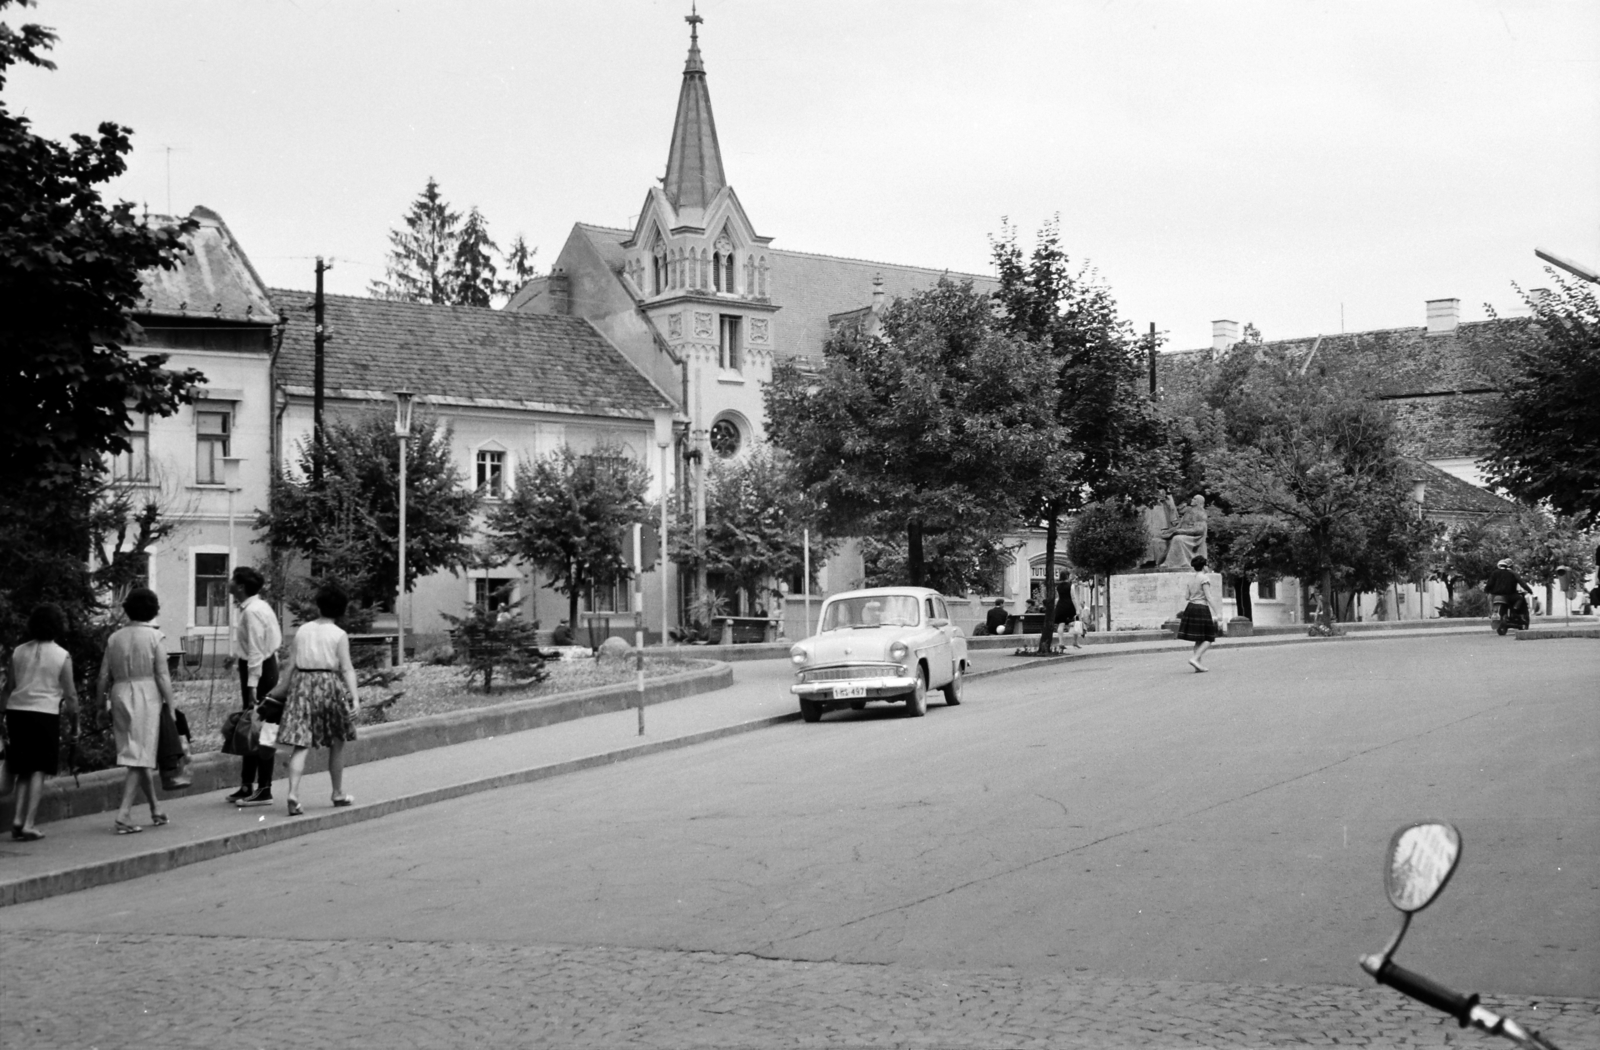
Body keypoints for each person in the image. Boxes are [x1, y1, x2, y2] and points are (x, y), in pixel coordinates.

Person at [267, 582, 362, 816]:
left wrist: (278, 692)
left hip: (302, 685)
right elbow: (347, 669)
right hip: (328, 685)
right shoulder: (339, 635)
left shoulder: (303, 630)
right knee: (338, 741)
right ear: (341, 609)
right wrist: (355, 699)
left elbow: (290, 667)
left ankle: (293, 793)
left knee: (301, 743)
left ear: (318, 606)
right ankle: (337, 792)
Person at [98, 587, 174, 834]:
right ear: (152, 610)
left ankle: (155, 808)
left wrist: (100, 704)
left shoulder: (114, 638)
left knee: (137, 753)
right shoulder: (155, 637)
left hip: (119, 691)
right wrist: (171, 707)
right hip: (146, 693)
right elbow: (162, 675)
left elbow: (102, 676)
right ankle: (124, 814)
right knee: (139, 754)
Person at [2, 604, 79, 841]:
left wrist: (0, 715)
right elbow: (71, 696)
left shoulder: (19, 651)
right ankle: (28, 823)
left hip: (17, 713)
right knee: (39, 769)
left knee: (24, 767)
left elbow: (9, 687)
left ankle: (17, 818)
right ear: (58, 626)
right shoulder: (61, 655)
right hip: (45, 714)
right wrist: (75, 724)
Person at [228, 567, 282, 807]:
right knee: (251, 724)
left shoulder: (252, 611)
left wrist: (252, 685)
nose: (228, 583)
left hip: (260, 672)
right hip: (262, 669)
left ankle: (264, 788)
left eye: (232, 579)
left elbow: (256, 651)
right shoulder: (255, 608)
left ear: (240, 586)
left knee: (261, 726)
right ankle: (247, 784)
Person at [1176, 555, 1224, 672]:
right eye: (1207, 565)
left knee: (1199, 638)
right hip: (1201, 608)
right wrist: (1218, 613)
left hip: (1191, 608)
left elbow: (1187, 597)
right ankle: (1195, 658)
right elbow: (1209, 597)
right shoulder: (1204, 578)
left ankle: (1198, 665)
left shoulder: (1191, 579)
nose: (1208, 567)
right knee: (1209, 637)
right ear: (1204, 566)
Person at [1483, 558, 1532, 625]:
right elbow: (1522, 583)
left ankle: (1491, 613)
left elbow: (1489, 584)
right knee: (1520, 598)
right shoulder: (1512, 573)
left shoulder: (1494, 573)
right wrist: (1530, 590)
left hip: (1495, 596)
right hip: (1509, 596)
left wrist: (1486, 590)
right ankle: (1514, 611)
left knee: (1489, 600)